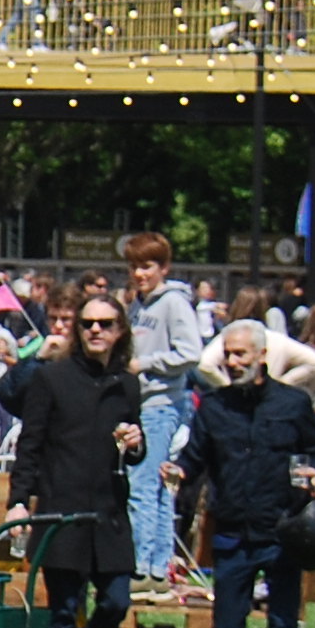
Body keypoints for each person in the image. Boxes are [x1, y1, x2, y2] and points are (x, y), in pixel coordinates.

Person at [170, 320, 315, 628]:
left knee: (282, 627)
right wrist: (179, 471)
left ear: (262, 356)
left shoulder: (292, 404)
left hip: (281, 530)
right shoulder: (215, 406)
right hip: (232, 532)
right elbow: (194, 456)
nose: (232, 360)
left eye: (241, 353)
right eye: (228, 353)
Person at [5, 292, 146, 628]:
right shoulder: (53, 378)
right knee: (64, 610)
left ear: (120, 331)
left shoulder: (127, 383)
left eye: (105, 323)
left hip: (108, 510)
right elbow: (29, 446)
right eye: (87, 324)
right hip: (61, 507)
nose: (95, 330)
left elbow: (133, 451)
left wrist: (137, 445)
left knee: (115, 602)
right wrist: (17, 503)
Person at [122, 234, 209, 580]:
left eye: (147, 266)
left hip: (162, 403)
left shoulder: (174, 303)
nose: (140, 274)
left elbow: (191, 353)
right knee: (154, 489)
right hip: (138, 403)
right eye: (134, 267)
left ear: (163, 268)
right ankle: (157, 568)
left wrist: (146, 363)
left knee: (142, 486)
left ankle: (142, 567)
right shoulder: (137, 306)